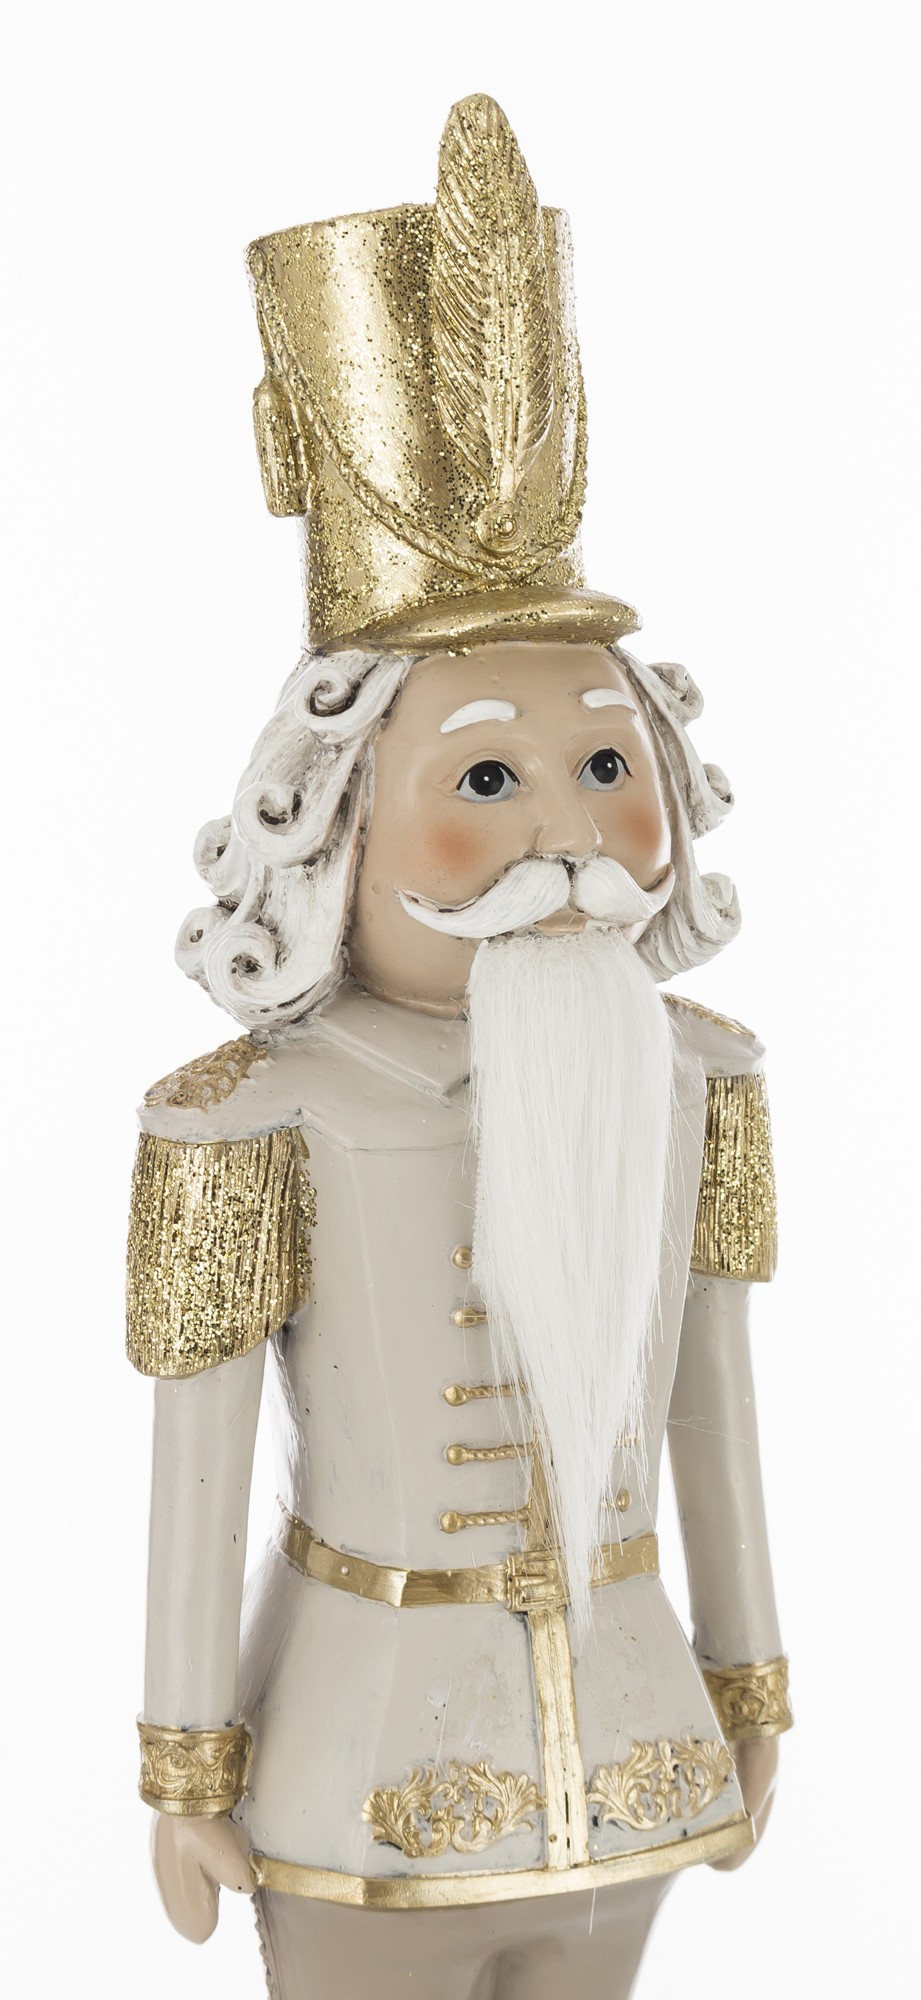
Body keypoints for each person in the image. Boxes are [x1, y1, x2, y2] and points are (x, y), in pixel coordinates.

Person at [128, 93, 791, 2000]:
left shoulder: (698, 1074)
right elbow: (199, 1459)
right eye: (487, 779)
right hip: (361, 1761)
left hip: (639, 1742)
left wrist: (755, 1687)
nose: (566, 834)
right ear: (336, 818)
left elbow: (718, 1408)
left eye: (602, 763)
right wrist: (183, 1767)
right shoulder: (245, 1117)